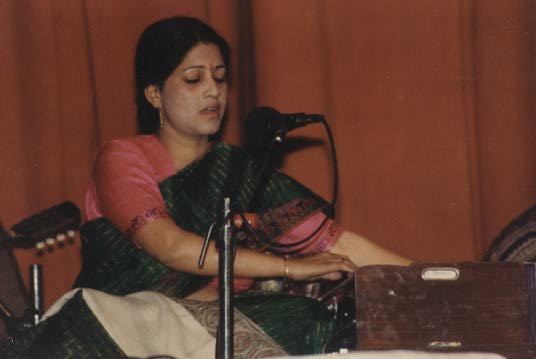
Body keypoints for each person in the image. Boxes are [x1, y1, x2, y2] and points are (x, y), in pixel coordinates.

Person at [1, 16, 409, 359]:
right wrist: (289, 267)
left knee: (314, 320)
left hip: (220, 327)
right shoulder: (122, 159)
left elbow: (336, 242)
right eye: (193, 79)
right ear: (154, 94)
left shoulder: (240, 170)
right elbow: (173, 248)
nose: (213, 91)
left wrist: (433, 275)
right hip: (122, 325)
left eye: (220, 78)